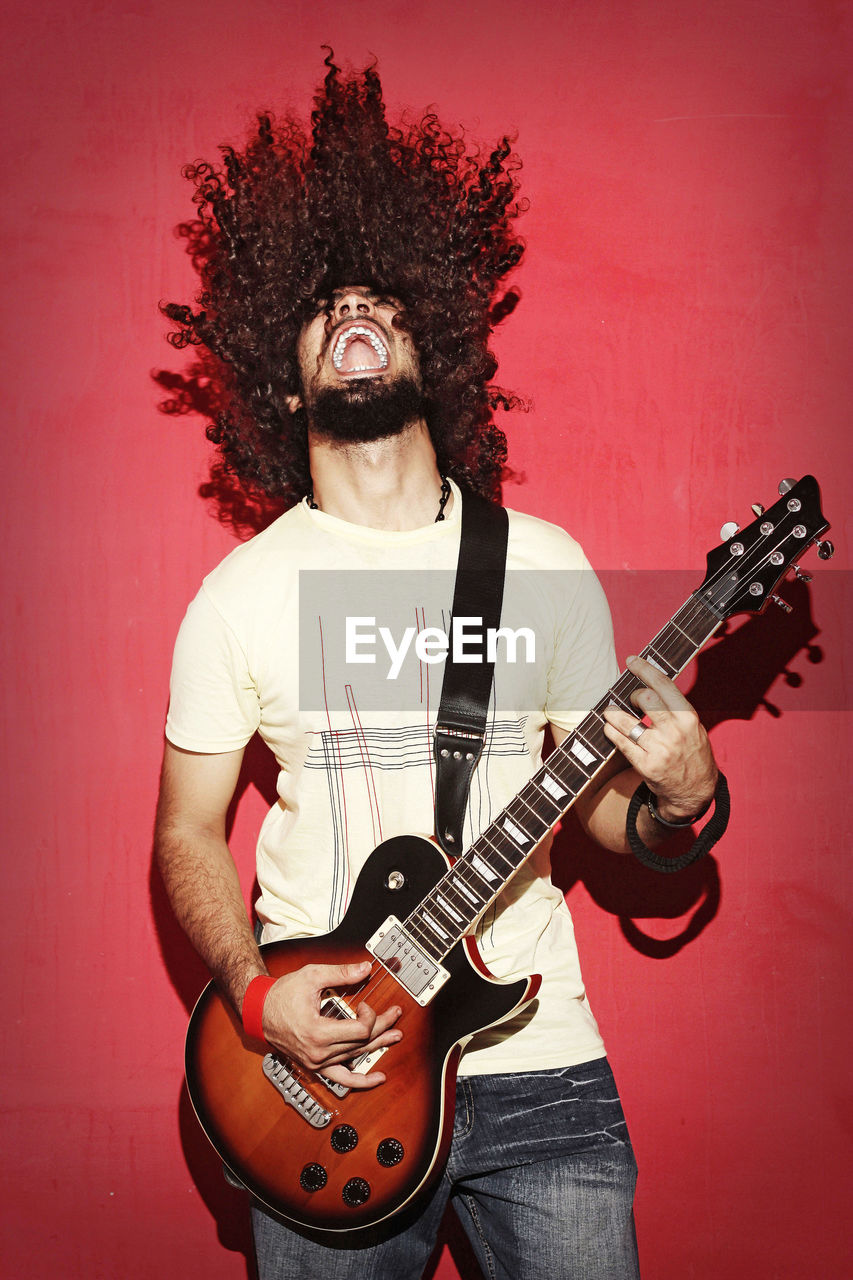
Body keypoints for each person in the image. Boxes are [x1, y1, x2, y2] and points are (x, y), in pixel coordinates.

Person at [155, 56, 719, 1280]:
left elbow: (611, 820)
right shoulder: (240, 593)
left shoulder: (546, 563)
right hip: (321, 1067)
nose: (356, 313)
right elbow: (188, 835)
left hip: (538, 1064)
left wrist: (682, 793)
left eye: (386, 300)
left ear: (435, 336)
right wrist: (257, 999)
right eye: (321, 303)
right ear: (277, 359)